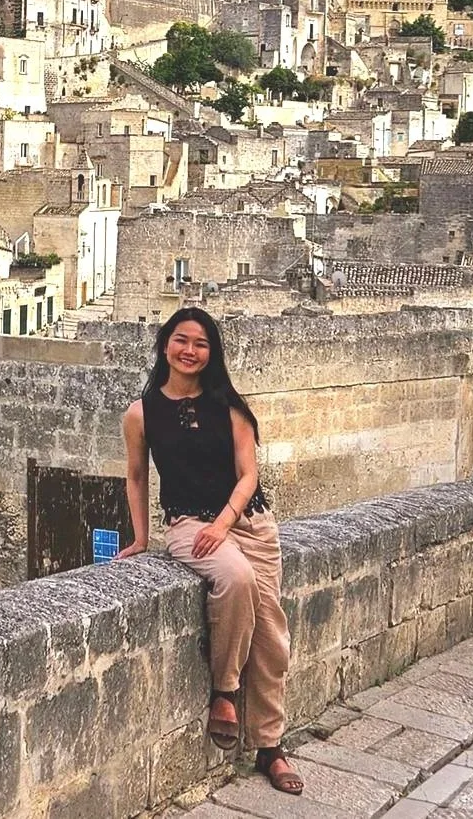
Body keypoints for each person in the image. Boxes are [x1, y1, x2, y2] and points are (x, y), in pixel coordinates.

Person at [117, 307, 302, 795]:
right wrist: (140, 538)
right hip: (187, 524)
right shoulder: (140, 413)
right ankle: (224, 690)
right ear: (165, 345)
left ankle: (270, 747)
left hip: (247, 523)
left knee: (271, 638)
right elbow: (137, 477)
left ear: (211, 352)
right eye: (182, 341)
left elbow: (249, 476)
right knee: (234, 579)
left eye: (201, 344)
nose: (190, 351)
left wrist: (225, 524)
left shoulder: (230, 407)